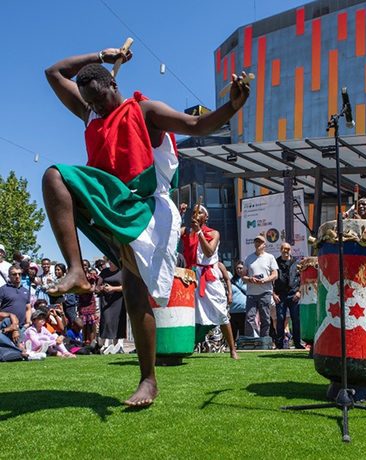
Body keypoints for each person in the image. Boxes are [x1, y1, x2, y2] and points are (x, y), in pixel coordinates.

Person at [44, 46, 249, 406]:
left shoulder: (144, 110)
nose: (94, 107)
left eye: (99, 100)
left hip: (142, 207)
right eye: (89, 102)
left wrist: (231, 107)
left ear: (113, 87)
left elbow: (197, 126)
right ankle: (76, 270)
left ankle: (148, 381)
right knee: (54, 177)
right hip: (109, 200)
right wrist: (100, 54)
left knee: (136, 293)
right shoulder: (90, 114)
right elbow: (54, 72)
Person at [180, 205, 238, 359]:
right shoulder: (186, 232)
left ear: (206, 218)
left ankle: (232, 350)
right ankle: (186, 346)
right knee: (189, 313)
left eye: (199, 212)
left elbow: (209, 252)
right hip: (191, 275)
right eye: (193, 213)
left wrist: (199, 231)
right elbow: (170, 235)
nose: (195, 214)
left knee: (221, 311)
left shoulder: (214, 233)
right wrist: (179, 214)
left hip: (209, 276)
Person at [243, 234, 278, 338]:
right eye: (256, 242)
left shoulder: (270, 257)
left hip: (265, 292)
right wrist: (250, 279)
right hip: (251, 293)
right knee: (249, 317)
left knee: (265, 318)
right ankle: (250, 339)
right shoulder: (249, 258)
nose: (258, 244)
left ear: (264, 245)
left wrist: (264, 280)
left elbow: (275, 274)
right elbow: (243, 276)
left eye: (260, 242)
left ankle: (265, 340)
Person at [273, 242, 303, 349]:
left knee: (296, 319)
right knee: (280, 318)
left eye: (288, 249)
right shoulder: (275, 262)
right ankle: (279, 344)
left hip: (294, 294)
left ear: (290, 250)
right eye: (284, 249)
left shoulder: (297, 262)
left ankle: (297, 343)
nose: (286, 251)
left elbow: (302, 278)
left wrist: (299, 292)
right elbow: (272, 279)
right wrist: (273, 293)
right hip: (280, 295)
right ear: (280, 250)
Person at [97, 260, 126, 354]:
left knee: (118, 321)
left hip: (118, 300)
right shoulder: (104, 272)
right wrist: (101, 288)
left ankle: (118, 345)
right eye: (109, 260)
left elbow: (126, 287)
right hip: (106, 300)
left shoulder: (122, 271)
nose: (110, 262)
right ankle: (107, 344)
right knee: (107, 321)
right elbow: (98, 285)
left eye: (112, 260)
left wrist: (112, 288)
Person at [0, 264, 32, 337]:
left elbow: (28, 308)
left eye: (19, 274)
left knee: (19, 346)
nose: (17, 276)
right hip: (6, 326)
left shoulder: (26, 291)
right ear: (9, 276)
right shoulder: (2, 290)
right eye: (14, 274)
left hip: (21, 328)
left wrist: (28, 322)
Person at [229, 260, 247, 340]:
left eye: (241, 268)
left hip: (244, 310)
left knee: (243, 333)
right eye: (237, 268)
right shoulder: (231, 281)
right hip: (233, 311)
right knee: (233, 333)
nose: (239, 270)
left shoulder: (247, 280)